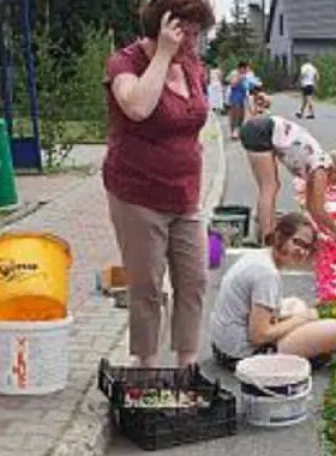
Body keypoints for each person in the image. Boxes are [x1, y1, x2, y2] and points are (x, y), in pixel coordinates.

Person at [103, 0, 215, 369]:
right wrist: (164, 54)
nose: (194, 43)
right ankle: (147, 368)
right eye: (189, 33)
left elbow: (196, 116)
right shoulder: (125, 62)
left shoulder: (193, 65)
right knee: (148, 287)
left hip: (185, 194)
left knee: (194, 280)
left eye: (199, 34)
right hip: (137, 194)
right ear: (165, 26)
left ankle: (187, 365)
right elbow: (137, 107)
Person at [209, 212, 336, 369]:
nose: (302, 251)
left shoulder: (260, 256)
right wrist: (302, 319)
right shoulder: (266, 273)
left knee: (296, 304)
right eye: (297, 242)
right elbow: (258, 336)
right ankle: (302, 353)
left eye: (307, 247)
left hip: (224, 346)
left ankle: (305, 346)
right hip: (242, 355)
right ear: (280, 236)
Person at [238, 114, 336, 245]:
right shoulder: (322, 168)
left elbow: (312, 208)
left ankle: (268, 234)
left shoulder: (316, 168)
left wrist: (328, 234)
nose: (332, 186)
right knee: (269, 187)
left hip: (260, 130)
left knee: (271, 187)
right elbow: (320, 210)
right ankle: (266, 238)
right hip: (261, 131)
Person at [226, 61, 259, 139]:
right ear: (241, 68)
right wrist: (239, 79)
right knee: (235, 115)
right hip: (235, 97)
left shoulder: (246, 75)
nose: (246, 71)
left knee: (241, 115)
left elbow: (250, 86)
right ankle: (233, 132)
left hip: (242, 97)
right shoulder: (235, 73)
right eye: (245, 69)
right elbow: (232, 84)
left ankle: (238, 131)